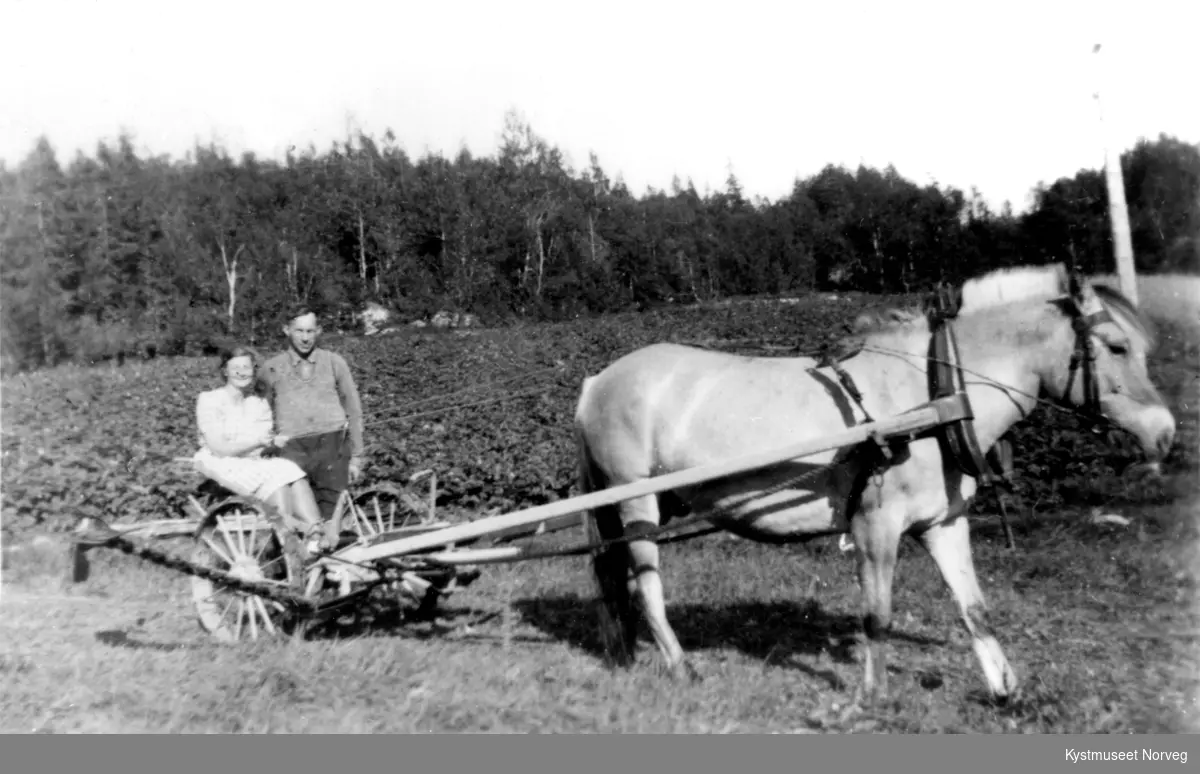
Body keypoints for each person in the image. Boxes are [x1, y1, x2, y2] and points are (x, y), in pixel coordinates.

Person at [192, 346, 325, 538]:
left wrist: (273, 443)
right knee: (277, 477)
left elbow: (262, 446)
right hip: (219, 462)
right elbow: (218, 448)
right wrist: (257, 442)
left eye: (246, 367)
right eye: (235, 367)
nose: (241, 372)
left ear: (254, 370)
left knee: (289, 470)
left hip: (251, 462)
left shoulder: (258, 403)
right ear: (225, 371)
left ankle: (316, 534)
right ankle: (286, 541)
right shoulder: (209, 399)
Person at [261, 304, 366, 536]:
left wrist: (357, 456)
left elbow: (354, 410)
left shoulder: (334, 362)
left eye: (310, 331)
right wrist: (267, 445)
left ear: (318, 331)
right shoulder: (270, 368)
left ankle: (338, 568)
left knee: (336, 521)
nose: (305, 338)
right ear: (286, 330)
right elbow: (261, 414)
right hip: (292, 452)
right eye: (299, 331)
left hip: (332, 448)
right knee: (300, 524)